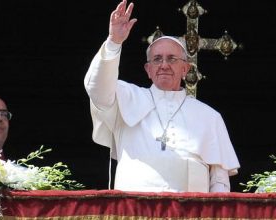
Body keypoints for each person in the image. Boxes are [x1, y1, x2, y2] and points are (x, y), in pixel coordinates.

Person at [84, 0, 240, 192]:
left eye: (172, 59)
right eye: (157, 59)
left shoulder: (209, 116)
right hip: (134, 211)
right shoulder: (127, 97)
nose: (164, 65)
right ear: (148, 70)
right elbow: (96, 88)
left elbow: (220, 182)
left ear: (185, 69)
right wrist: (113, 43)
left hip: (191, 212)